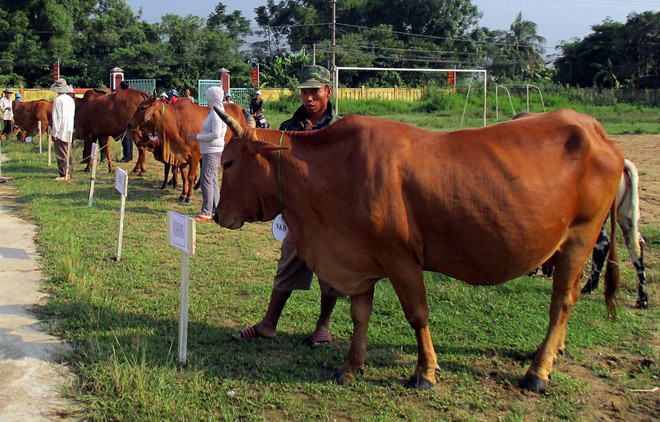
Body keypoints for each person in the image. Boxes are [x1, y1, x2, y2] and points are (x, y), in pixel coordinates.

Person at [233, 65, 341, 348]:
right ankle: (268, 324)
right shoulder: (288, 129)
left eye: (315, 91)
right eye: (305, 92)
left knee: (329, 274)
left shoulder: (340, 129)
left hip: (331, 217)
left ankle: (323, 326)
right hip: (297, 214)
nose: (309, 98)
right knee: (287, 267)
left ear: (328, 91)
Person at [187, 86, 226, 222]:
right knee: (213, 180)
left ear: (212, 97)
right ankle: (217, 208)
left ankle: (207, 211)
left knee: (206, 180)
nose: (206, 98)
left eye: (208, 96)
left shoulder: (216, 115)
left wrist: (197, 137)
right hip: (210, 149)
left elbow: (215, 134)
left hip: (212, 150)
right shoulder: (215, 112)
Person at [50, 79, 75, 181]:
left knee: (61, 153)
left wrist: (54, 132)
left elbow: (57, 118)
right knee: (68, 152)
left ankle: (64, 174)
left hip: (61, 130)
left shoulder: (58, 100)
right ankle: (69, 172)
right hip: (69, 128)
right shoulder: (70, 99)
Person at [116, 81, 133, 163]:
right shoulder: (131, 95)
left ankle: (127, 156)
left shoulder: (121, 95)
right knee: (129, 138)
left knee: (125, 138)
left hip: (124, 118)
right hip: (131, 117)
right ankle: (129, 155)